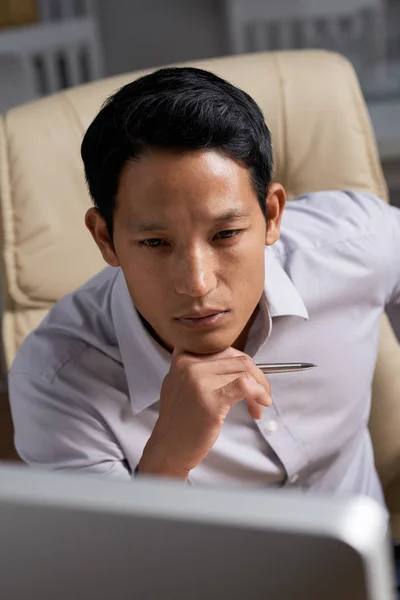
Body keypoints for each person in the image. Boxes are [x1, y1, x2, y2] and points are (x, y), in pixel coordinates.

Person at [8, 66, 400, 500]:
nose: (197, 284)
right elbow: (111, 567)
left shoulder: (356, 241)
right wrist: (165, 463)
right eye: (156, 242)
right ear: (105, 238)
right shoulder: (55, 382)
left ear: (272, 215)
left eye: (226, 235)